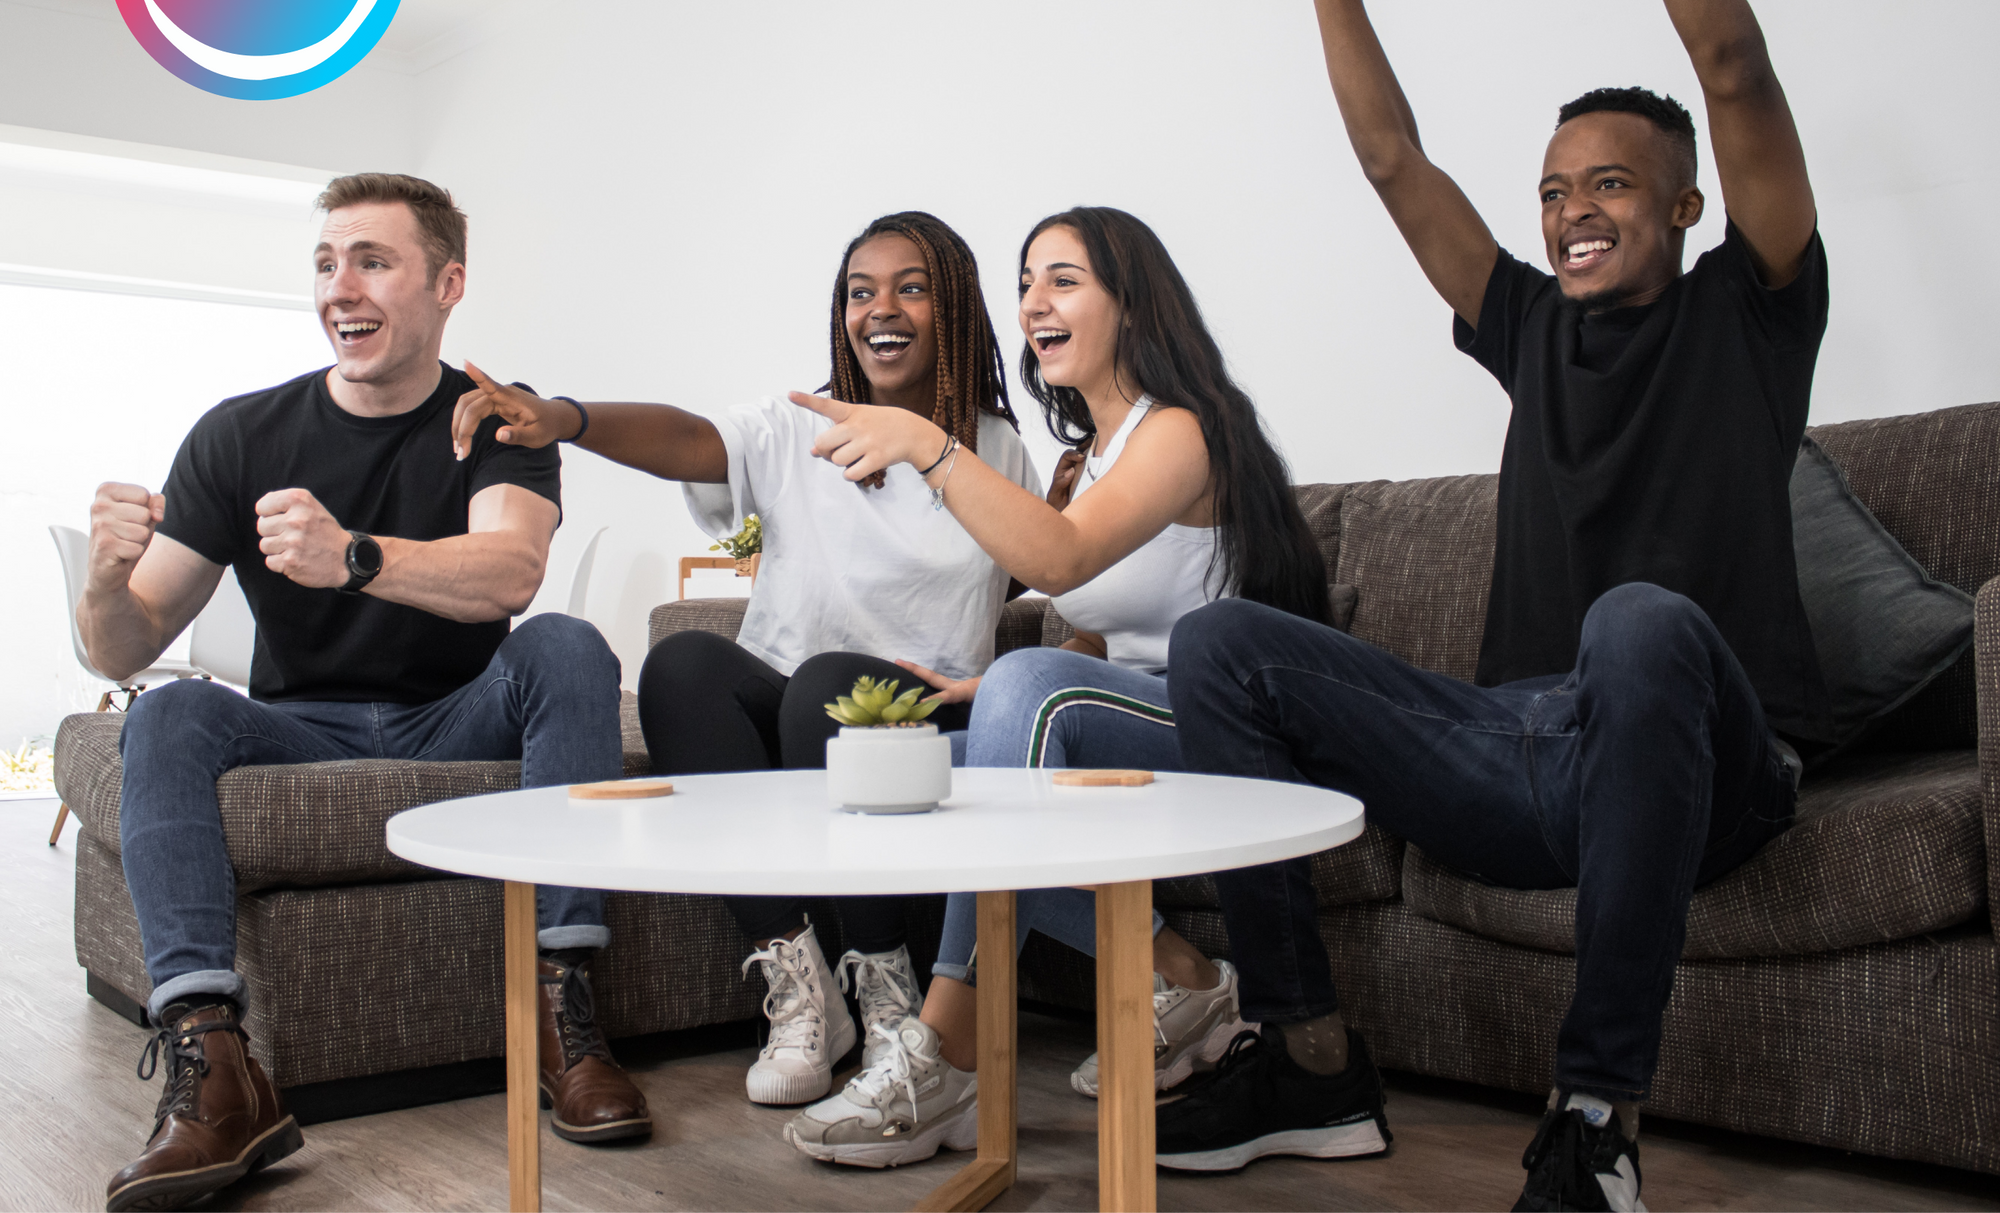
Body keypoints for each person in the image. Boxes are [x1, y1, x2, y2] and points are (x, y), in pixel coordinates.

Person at [1161, 0, 1823, 1213]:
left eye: (1612, 187)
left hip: (1702, 760)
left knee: (1641, 622)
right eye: (1556, 190)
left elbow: (1736, 76)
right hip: (1519, 758)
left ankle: (1594, 1122)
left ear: (1686, 206)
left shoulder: (1754, 313)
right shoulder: (1531, 328)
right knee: (1218, 644)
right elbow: (1394, 162)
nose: (1576, 213)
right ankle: (1309, 1052)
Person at [82, 174, 646, 1213]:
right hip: (300, 726)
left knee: (566, 645)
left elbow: (510, 577)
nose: (343, 287)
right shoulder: (239, 435)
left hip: (456, 712)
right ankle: (216, 1068)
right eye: (327, 263)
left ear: (447, 284)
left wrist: (351, 556)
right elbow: (124, 648)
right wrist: (106, 582)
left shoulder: (495, 420)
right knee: (164, 709)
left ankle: (561, 1013)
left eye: (374, 262)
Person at [774, 206, 1331, 1168]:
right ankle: (1188, 975)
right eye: (1028, 280)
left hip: (1231, 734)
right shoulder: (1093, 456)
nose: (1035, 300)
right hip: (1143, 718)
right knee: (911, 767)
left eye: (1064, 279)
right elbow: (1094, 640)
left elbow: (1063, 561)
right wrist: (982, 689)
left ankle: (948, 1049)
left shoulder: (1181, 433)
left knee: (1023, 691)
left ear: (1133, 301)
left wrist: (927, 444)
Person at [450, 211, 1042, 1108]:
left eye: (910, 288)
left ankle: (888, 993)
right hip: (796, 698)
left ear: (952, 306)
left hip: (915, 716)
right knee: (683, 663)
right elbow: (692, 439)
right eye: (860, 291)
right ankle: (804, 989)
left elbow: (1034, 580)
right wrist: (565, 418)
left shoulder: (994, 451)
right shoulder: (795, 425)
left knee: (826, 689)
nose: (880, 309)